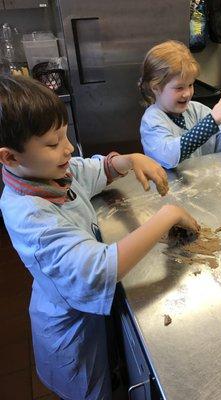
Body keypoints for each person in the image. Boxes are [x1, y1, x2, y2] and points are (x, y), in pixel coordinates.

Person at [0, 76, 200, 400]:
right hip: (74, 338)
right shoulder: (30, 218)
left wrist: (128, 160)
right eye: (53, 144)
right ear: (10, 158)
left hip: (91, 320)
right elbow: (98, 270)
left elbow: (88, 171)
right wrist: (167, 216)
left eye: (65, 136)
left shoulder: (50, 172)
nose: (67, 148)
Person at [138, 40, 221, 169]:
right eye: (179, 88)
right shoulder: (152, 121)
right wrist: (211, 122)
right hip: (169, 186)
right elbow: (169, 156)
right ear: (155, 87)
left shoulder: (196, 109)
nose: (187, 93)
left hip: (199, 181)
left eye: (190, 85)